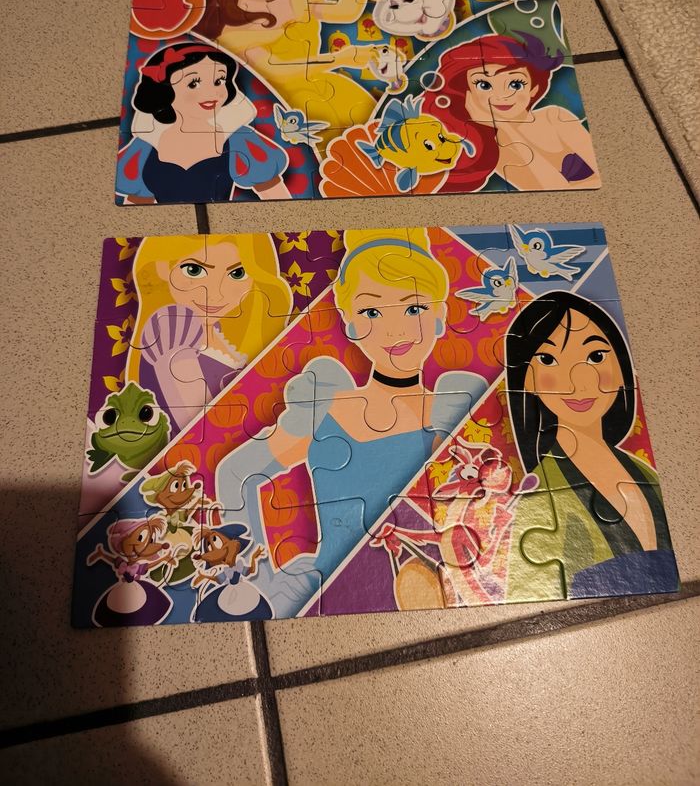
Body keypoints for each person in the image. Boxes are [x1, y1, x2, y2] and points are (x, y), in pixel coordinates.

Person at [215, 228, 488, 593]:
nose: (394, 329)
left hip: (430, 591)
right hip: (326, 592)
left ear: (440, 313)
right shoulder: (327, 402)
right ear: (350, 322)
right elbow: (235, 474)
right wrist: (253, 578)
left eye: (414, 308)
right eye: (372, 311)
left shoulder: (453, 406)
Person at [504, 291, 677, 597]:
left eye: (596, 356)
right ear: (527, 380)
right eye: (548, 359)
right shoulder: (540, 499)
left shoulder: (646, 473)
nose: (578, 381)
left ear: (621, 366)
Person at [194, 0, 400, 153]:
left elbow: (345, 12)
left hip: (330, 89)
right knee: (331, 153)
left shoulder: (291, 4)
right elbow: (276, 70)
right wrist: (339, 58)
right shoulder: (228, 34)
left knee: (377, 141)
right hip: (285, 108)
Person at [125, 233, 293, 431]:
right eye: (194, 270)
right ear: (163, 267)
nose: (216, 293)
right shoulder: (171, 325)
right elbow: (204, 426)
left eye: (237, 273)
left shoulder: (221, 331)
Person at [422, 33, 600, 192]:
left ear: (533, 88)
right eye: (484, 85)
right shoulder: (494, 152)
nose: (502, 95)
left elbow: (600, 175)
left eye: (515, 84)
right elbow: (554, 190)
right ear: (468, 93)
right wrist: (504, 128)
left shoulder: (555, 116)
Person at [116, 42, 291, 203]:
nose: (212, 93)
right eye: (194, 83)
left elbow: (277, 198)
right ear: (164, 92)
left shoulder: (239, 139)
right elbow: (136, 209)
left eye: (219, 81)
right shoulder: (144, 148)